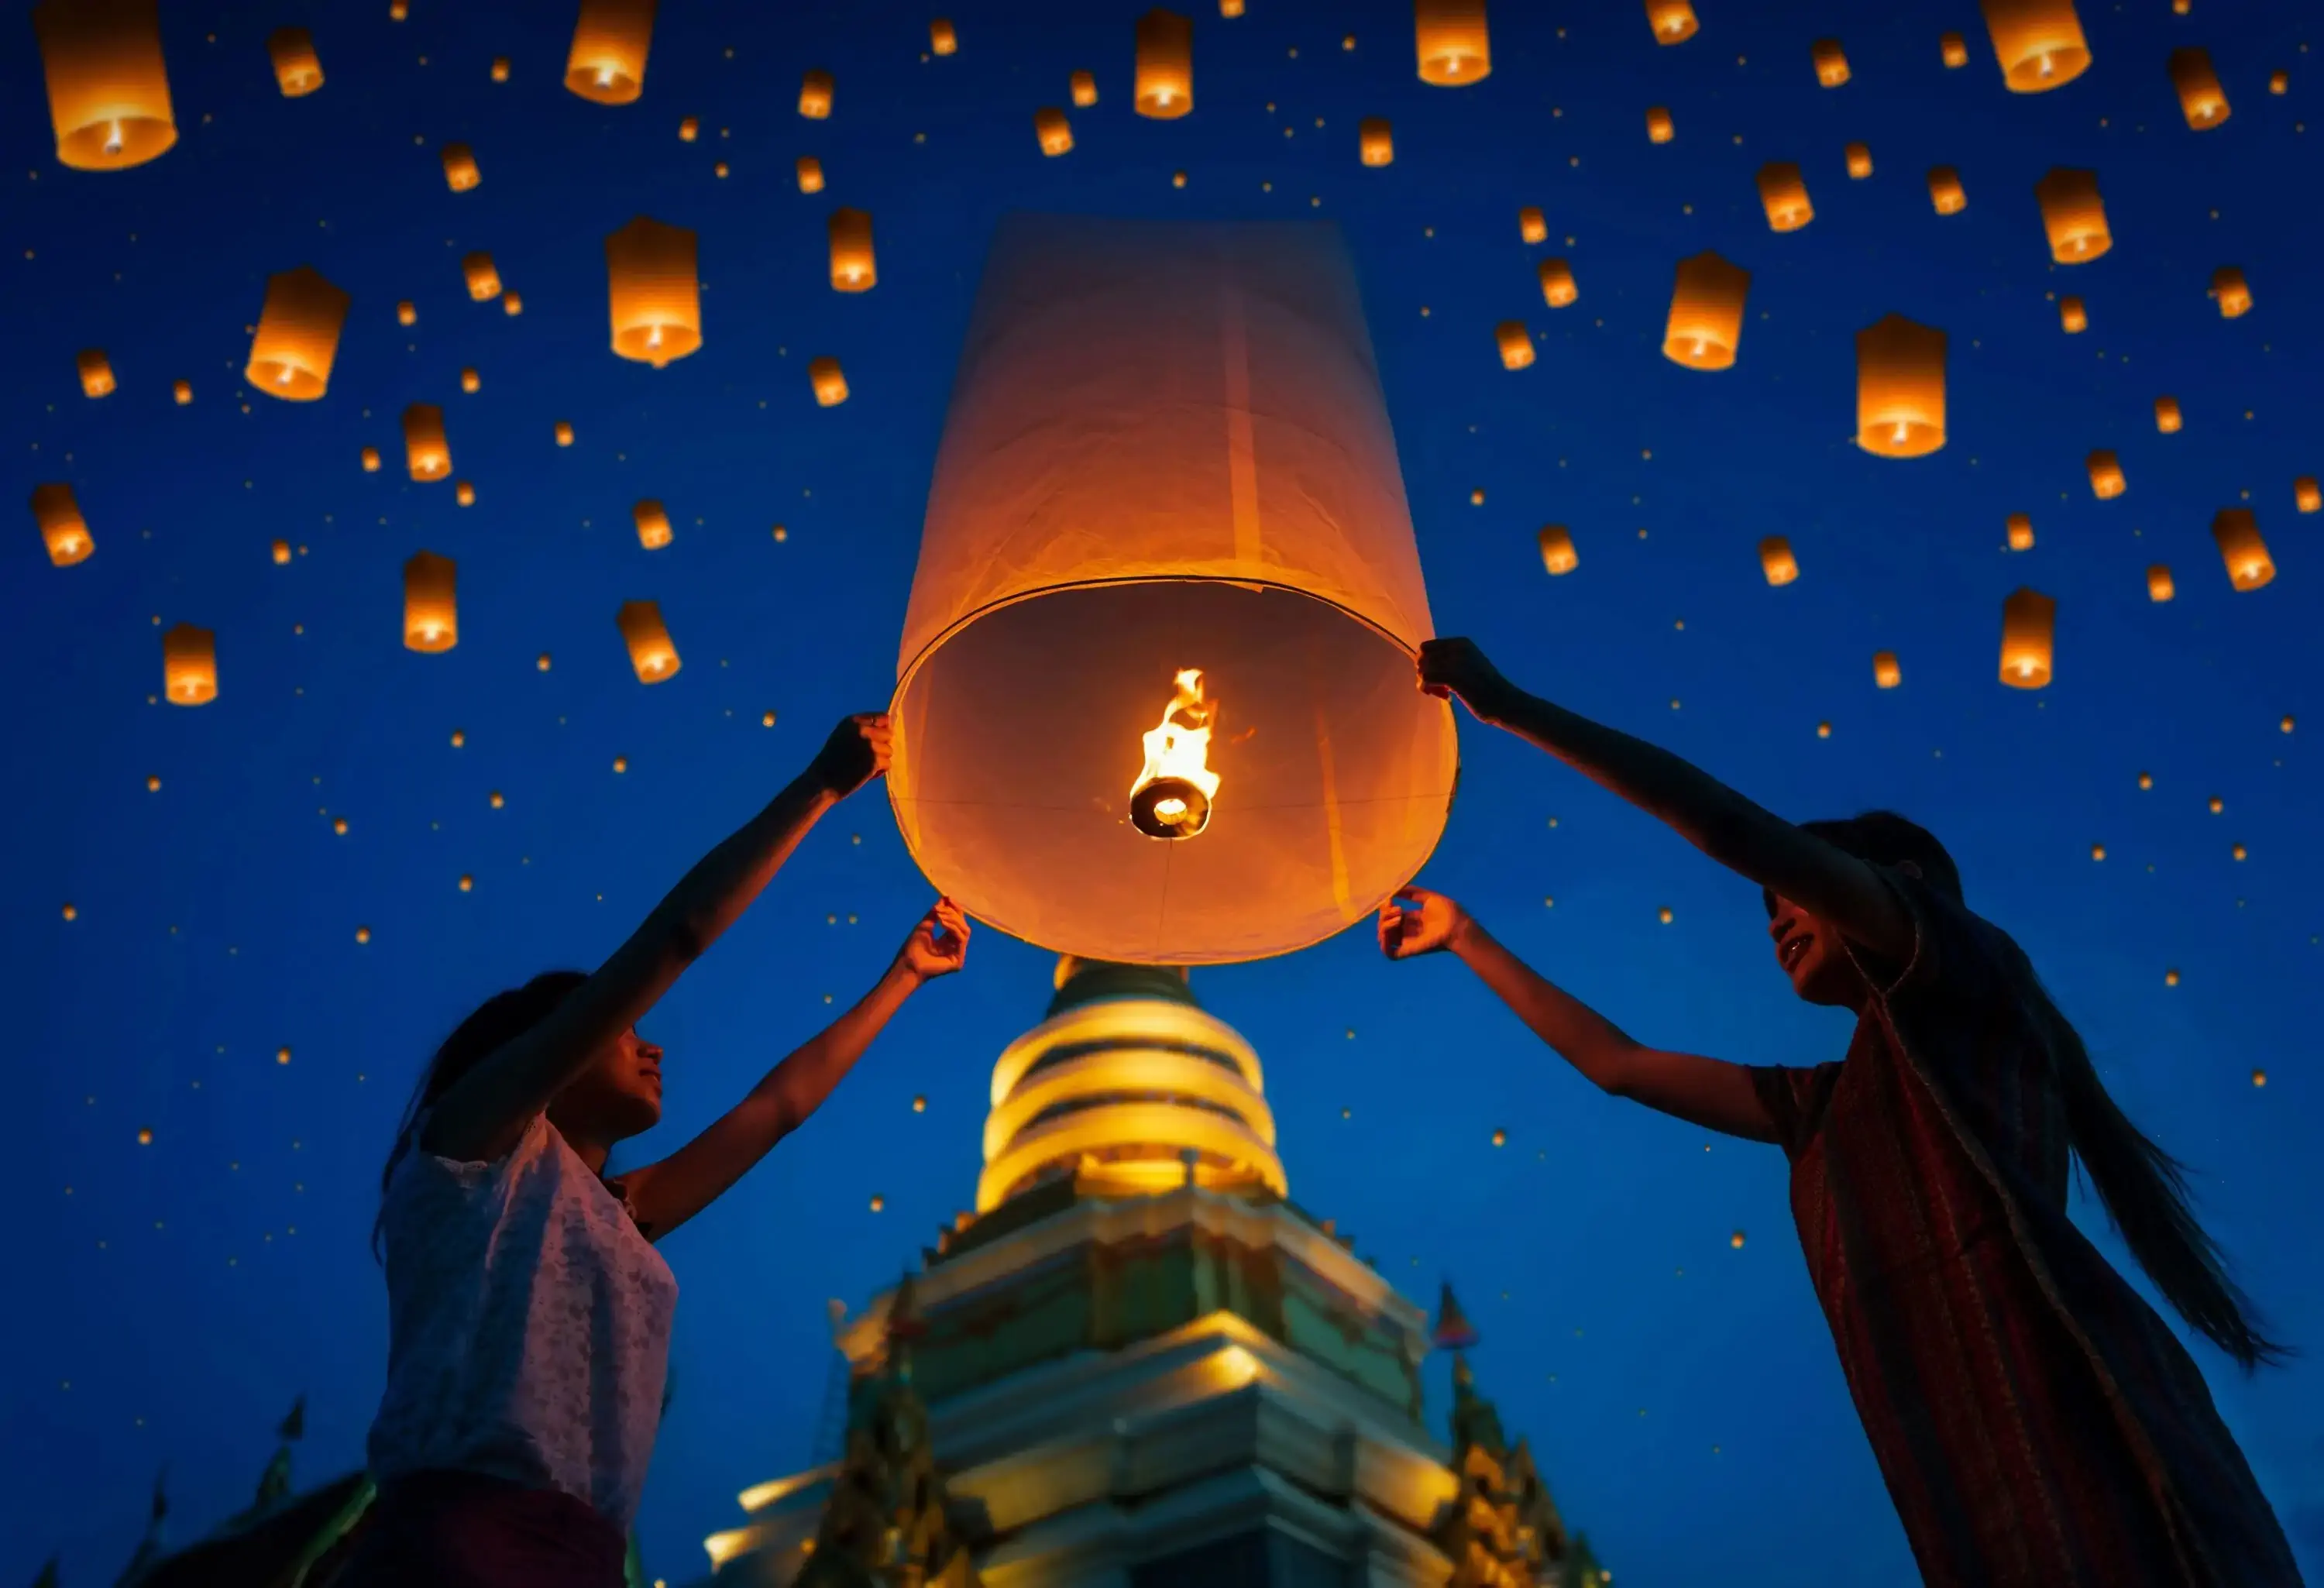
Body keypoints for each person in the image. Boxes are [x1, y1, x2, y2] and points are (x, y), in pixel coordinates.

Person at [1380, 638, 2303, 1588]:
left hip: (2072, 1406)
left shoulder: (1963, 973)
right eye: (1772, 908)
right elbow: (1620, 1066)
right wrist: (1467, 937)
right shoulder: (1823, 1105)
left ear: (1901, 882)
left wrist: (1510, 707)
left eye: (1795, 893)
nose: (1776, 920)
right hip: (1959, 1474)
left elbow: (1730, 827)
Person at [342, 714, 970, 1588]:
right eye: (624, 1026)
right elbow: (679, 934)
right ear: (550, 1050)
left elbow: (776, 1108)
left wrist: (903, 976)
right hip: (458, 1547)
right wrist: (820, 787)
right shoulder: (472, 1152)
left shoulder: (612, 1212)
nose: (654, 1047)